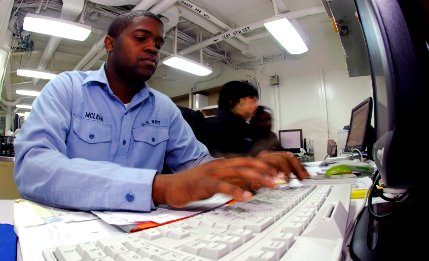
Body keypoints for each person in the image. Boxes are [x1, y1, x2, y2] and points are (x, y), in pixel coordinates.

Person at [13, 11, 310, 212]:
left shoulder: (164, 109)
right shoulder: (67, 89)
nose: (153, 48)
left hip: (143, 230)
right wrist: (158, 188)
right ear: (109, 44)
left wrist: (249, 168)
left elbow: (198, 164)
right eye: (141, 38)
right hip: (67, 227)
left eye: (158, 43)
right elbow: (32, 168)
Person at [205, 80, 259, 157]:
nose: (256, 105)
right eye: (252, 98)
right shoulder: (220, 127)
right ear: (232, 100)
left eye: (256, 100)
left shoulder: (243, 126)